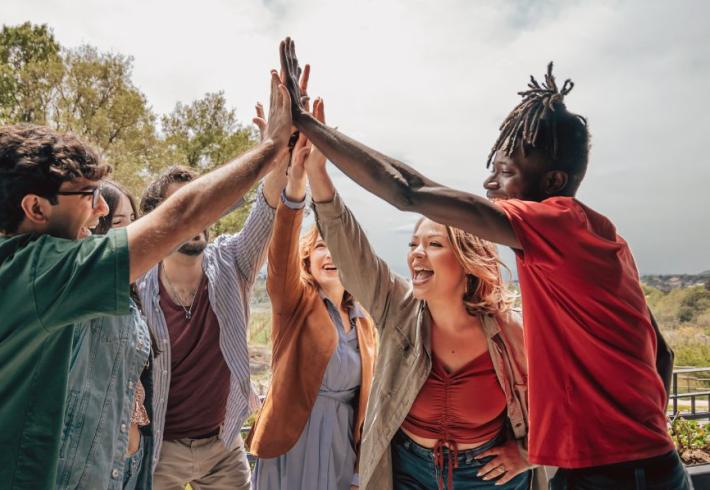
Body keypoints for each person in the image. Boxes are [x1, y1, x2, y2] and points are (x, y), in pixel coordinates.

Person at [0, 68, 294, 489]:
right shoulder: (43, 272)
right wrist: (272, 148)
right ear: (36, 208)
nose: (102, 210)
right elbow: (181, 216)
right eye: (89, 195)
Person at [279, 38, 688, 489]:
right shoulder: (601, 240)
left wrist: (309, 125)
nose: (490, 184)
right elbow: (661, 351)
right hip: (621, 467)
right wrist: (645, 436)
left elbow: (409, 191)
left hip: (617, 474)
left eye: (506, 172)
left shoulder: (557, 224)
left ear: (553, 181)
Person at [300, 100, 535, 490]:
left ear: (466, 262)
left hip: (487, 478)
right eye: (413, 245)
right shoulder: (397, 306)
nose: (416, 254)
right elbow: (352, 251)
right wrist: (317, 173)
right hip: (410, 472)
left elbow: (564, 402)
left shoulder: (510, 333)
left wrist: (527, 454)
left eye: (434, 245)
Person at [136, 72, 311, 490]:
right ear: (157, 221)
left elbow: (268, 206)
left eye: (201, 204)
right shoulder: (135, 287)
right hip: (161, 450)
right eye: (181, 207)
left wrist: (279, 150)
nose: (195, 217)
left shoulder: (233, 261)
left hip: (223, 445)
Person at [246, 132, 377, 490]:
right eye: (321, 246)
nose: (330, 254)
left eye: (337, 246)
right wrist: (296, 182)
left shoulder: (365, 323)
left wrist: (359, 469)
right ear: (307, 258)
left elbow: (367, 403)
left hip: (340, 447)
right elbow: (281, 250)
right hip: (292, 443)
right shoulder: (294, 302)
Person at [55, 180, 156, 490]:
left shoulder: (130, 298)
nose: (133, 231)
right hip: (91, 469)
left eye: (134, 220)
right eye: (120, 222)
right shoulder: (83, 294)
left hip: (133, 460)